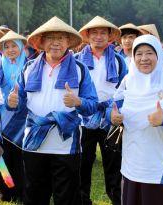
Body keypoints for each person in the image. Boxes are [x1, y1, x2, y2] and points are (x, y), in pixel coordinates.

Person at [8, 16, 98, 205]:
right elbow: (17, 103)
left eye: (61, 38)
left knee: (67, 198)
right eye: (50, 38)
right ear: (41, 42)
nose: (55, 43)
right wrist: (12, 101)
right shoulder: (28, 67)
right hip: (33, 144)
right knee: (34, 196)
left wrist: (78, 101)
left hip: (67, 145)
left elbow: (92, 106)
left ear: (68, 42)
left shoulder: (80, 69)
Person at [109, 35, 163, 205]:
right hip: (131, 167)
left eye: (149, 53)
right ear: (133, 57)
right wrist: (112, 117)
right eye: (139, 54)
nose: (144, 58)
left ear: (159, 56)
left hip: (159, 171)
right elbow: (112, 108)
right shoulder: (128, 82)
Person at [76, 16, 127, 205]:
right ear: (87, 36)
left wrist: (116, 112)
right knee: (82, 165)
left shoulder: (120, 61)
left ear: (109, 36)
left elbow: (125, 90)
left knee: (114, 166)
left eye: (102, 33)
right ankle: (82, 201)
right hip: (83, 118)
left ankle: (117, 200)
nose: (98, 37)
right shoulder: (76, 60)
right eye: (94, 33)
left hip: (110, 118)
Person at [0, 30, 28, 202]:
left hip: (25, 117)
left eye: (14, 46)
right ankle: (5, 191)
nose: (11, 50)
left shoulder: (31, 66)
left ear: (21, 47)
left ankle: (21, 192)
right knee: (3, 155)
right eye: (7, 47)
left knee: (22, 157)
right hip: (3, 118)